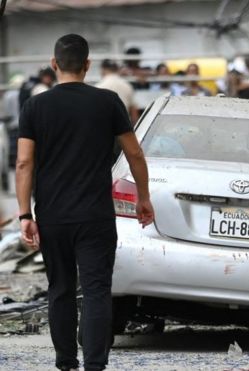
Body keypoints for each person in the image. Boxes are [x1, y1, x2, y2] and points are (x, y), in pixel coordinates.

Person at [16, 34, 154, 371]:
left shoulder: (35, 106)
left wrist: (24, 214)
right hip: (95, 215)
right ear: (87, 65)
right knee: (95, 290)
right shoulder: (108, 102)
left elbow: (24, 163)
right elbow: (134, 152)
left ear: (54, 65)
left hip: (52, 215)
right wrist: (144, 198)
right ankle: (95, 365)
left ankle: (66, 362)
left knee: (60, 289)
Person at [96, 59, 138, 124]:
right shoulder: (127, 85)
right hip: (125, 126)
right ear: (117, 69)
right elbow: (133, 110)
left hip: (105, 126)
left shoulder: (99, 86)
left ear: (103, 69)